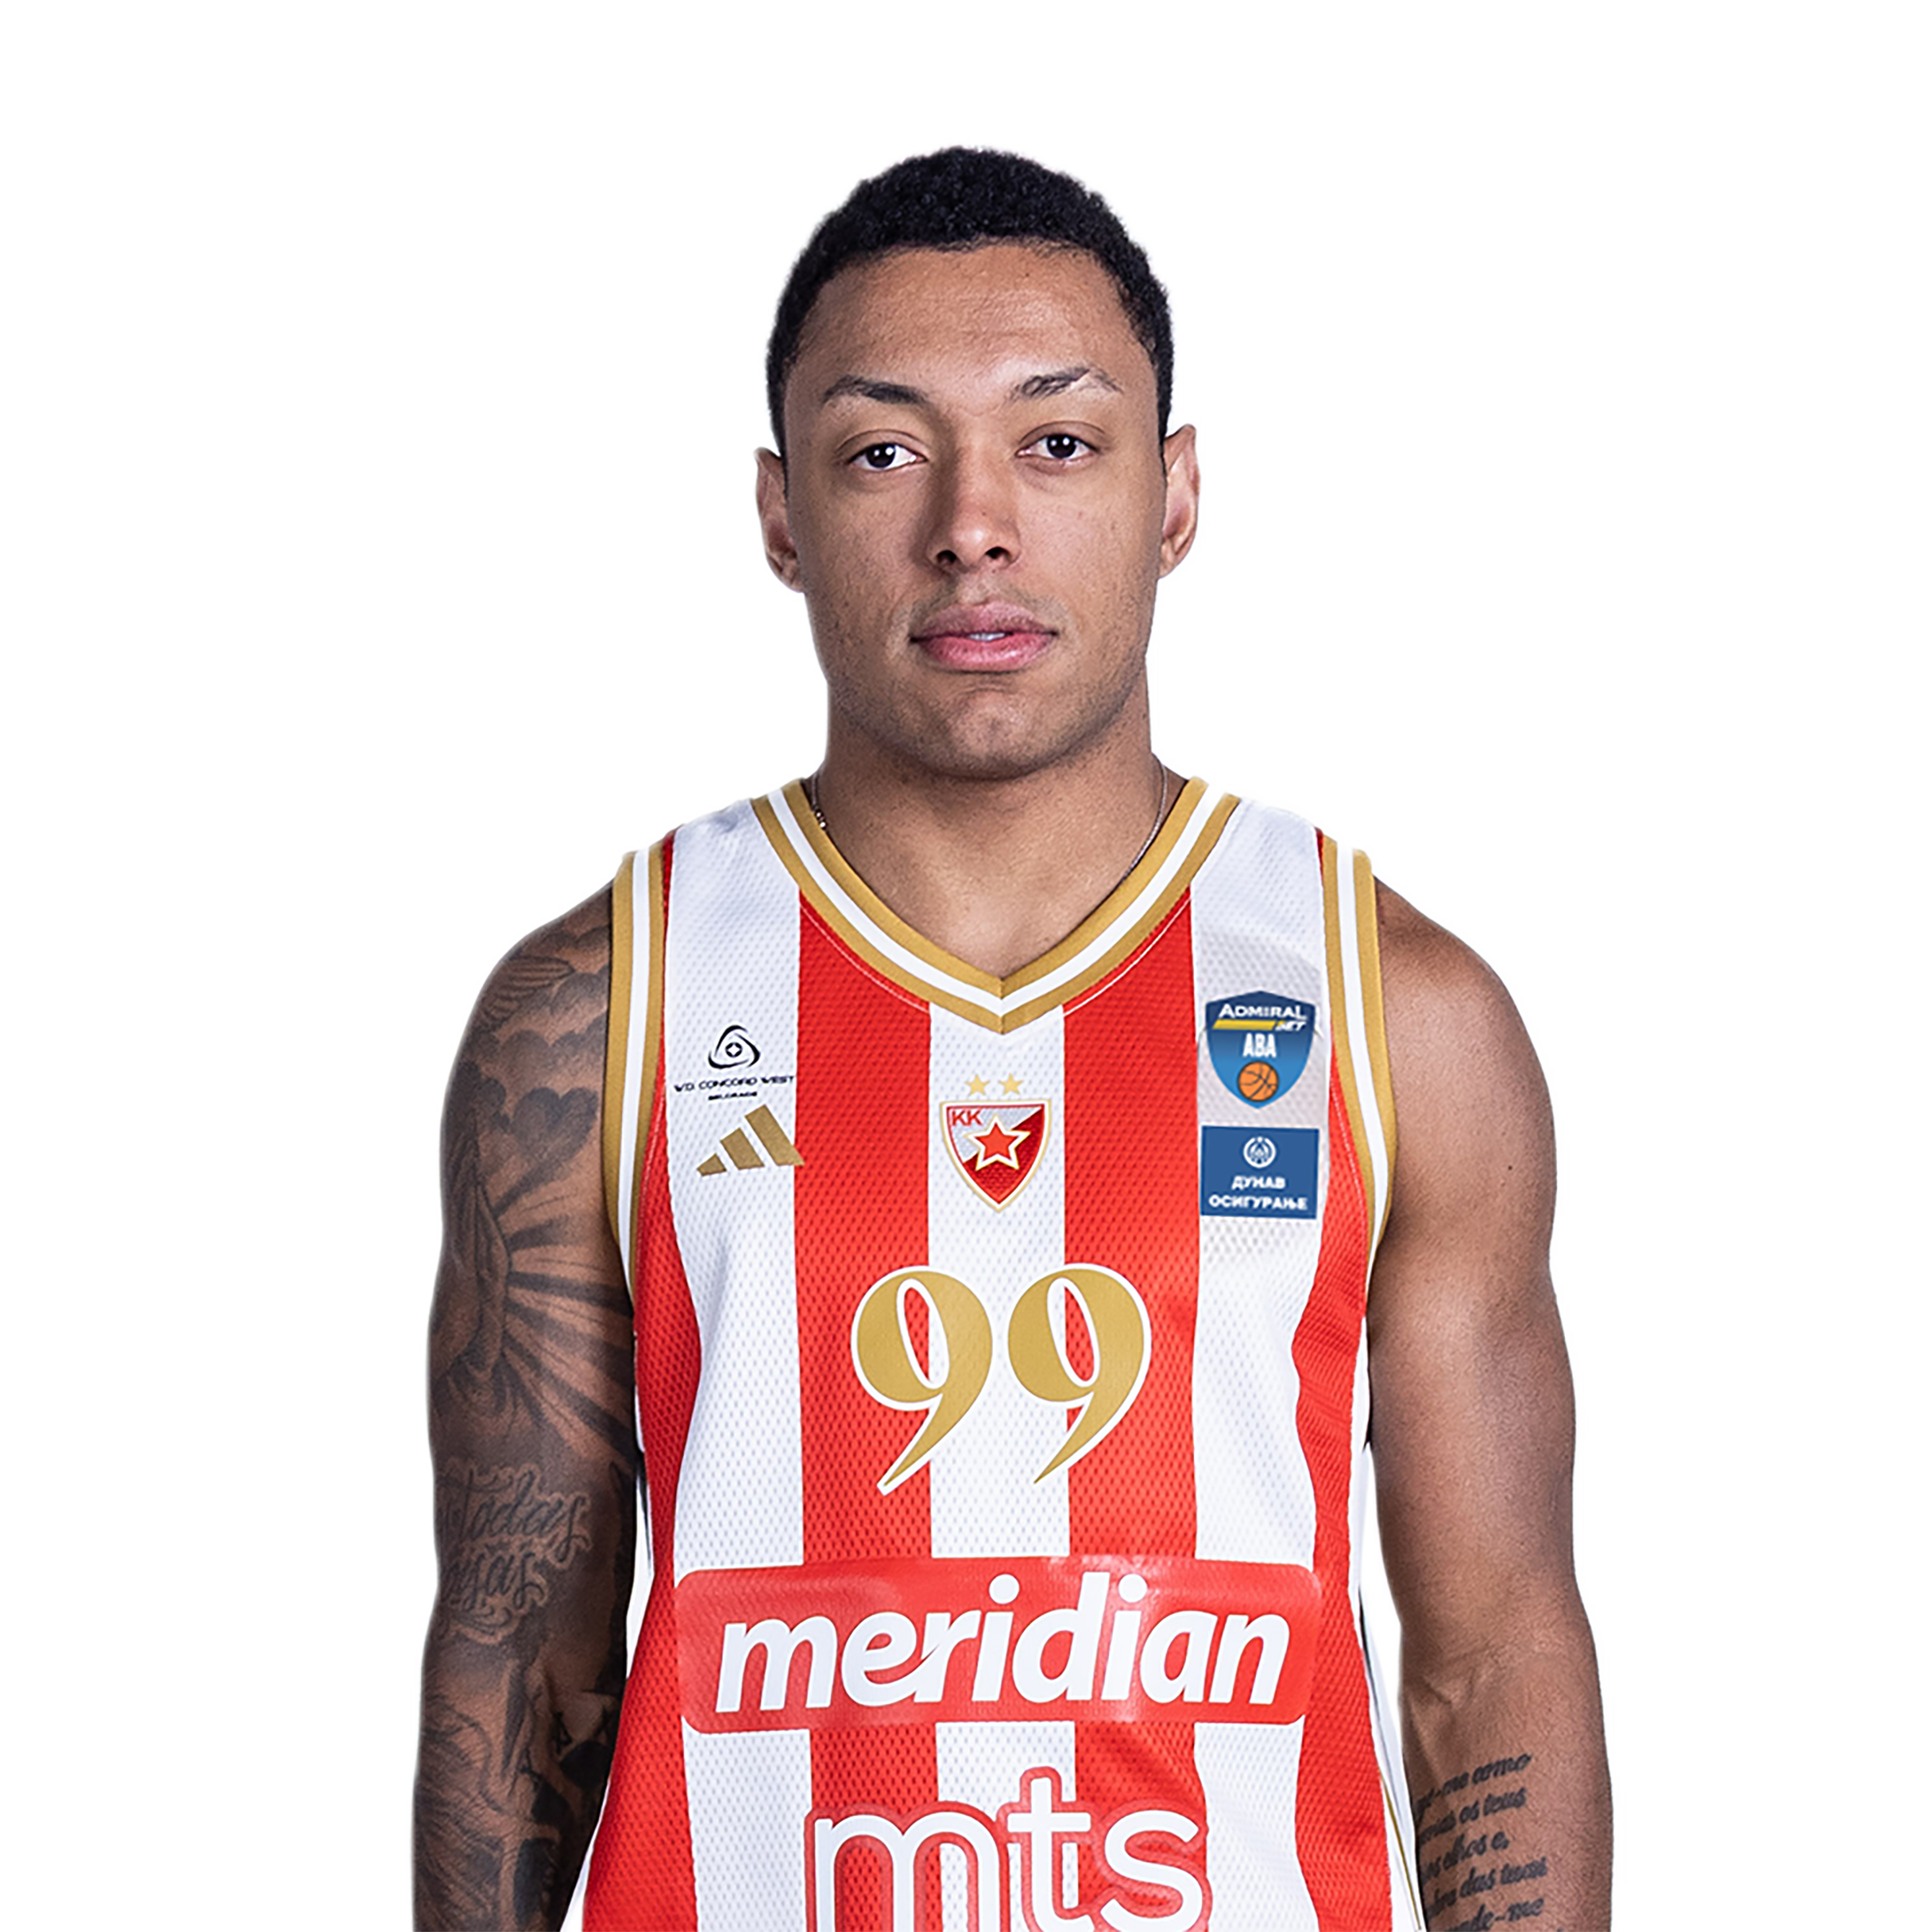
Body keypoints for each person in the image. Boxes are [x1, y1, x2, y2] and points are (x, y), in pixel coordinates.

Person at [410, 144, 1611, 1932]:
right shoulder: (595, 1006)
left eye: (1057, 441)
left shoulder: (1394, 1006)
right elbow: (516, 1661)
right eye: (884, 451)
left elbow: (1488, 1655)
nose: (973, 522)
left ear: (1174, 494)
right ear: (780, 514)